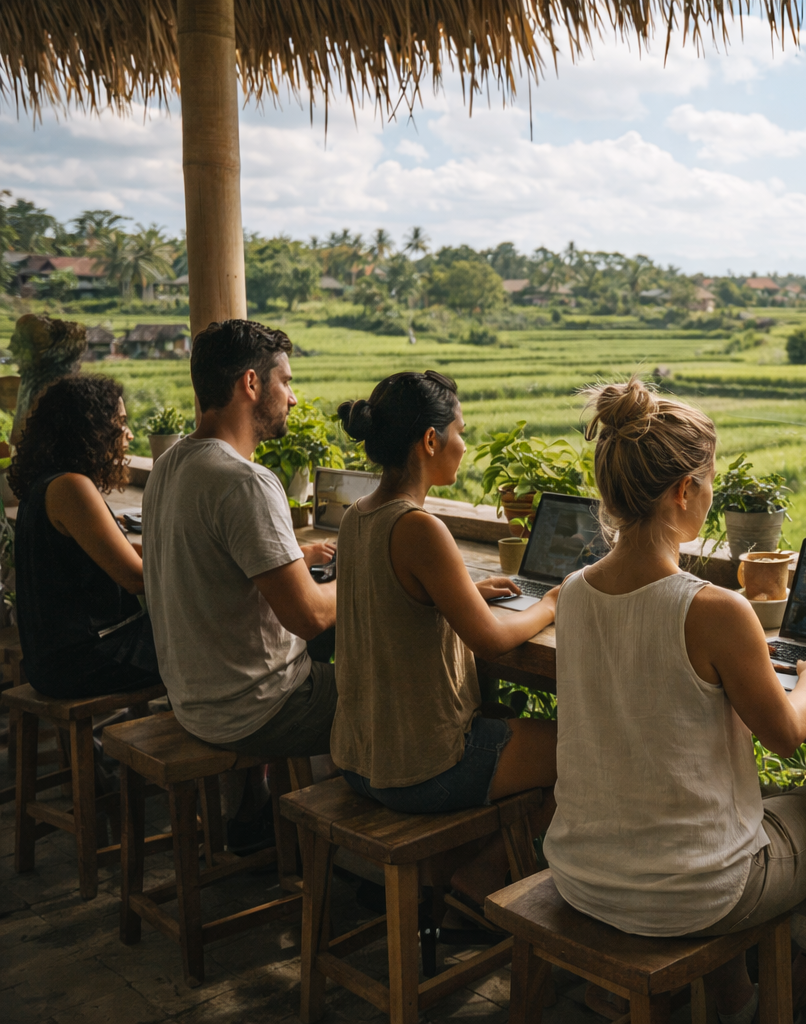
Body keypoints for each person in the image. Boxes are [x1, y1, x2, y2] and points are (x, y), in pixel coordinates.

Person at [543, 378, 806, 1022]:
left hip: (582, 874)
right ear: (684, 492)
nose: (709, 494)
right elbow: (787, 734)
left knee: (727, 813)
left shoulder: (571, 593)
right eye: (707, 480)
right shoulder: (713, 609)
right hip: (696, 893)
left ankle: (742, 979)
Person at [332, 371, 558, 904]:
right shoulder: (419, 527)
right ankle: (482, 880)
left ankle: (471, 872)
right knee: (584, 750)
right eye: (460, 430)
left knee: (508, 719)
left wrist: (461, 588)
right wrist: (550, 603)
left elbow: (394, 591)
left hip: (358, 759)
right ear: (430, 441)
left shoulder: (357, 516)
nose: (464, 444)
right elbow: (491, 642)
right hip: (419, 768)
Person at [142, 319, 337, 757]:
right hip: (260, 711)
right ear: (251, 383)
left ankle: (257, 811)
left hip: (194, 704)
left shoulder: (170, 464)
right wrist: (368, 572)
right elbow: (308, 617)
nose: (293, 397)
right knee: (403, 689)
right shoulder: (245, 481)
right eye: (285, 382)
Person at [9, 374, 161, 698]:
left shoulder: (46, 484)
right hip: (84, 661)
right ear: (91, 431)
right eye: (120, 423)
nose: (129, 435)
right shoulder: (72, 487)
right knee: (206, 633)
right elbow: (135, 579)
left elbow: (113, 553)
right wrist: (208, 565)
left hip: (56, 660)